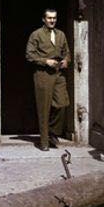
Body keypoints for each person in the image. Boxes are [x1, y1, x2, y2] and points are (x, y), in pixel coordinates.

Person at [25, 8, 70, 150]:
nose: (52, 21)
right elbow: (29, 55)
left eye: (54, 18)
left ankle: (53, 132)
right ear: (43, 19)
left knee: (62, 104)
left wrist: (66, 60)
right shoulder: (36, 35)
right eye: (49, 18)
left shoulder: (61, 34)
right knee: (44, 108)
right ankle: (44, 142)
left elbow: (66, 52)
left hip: (58, 73)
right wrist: (45, 61)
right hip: (43, 74)